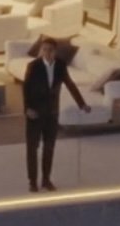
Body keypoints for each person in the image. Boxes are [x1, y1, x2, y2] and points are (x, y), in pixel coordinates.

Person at [20, 37, 88, 193]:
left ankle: (46, 179)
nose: (46, 53)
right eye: (44, 50)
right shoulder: (33, 66)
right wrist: (27, 109)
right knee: (32, 148)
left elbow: (70, 84)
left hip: (52, 113)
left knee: (49, 148)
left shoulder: (61, 66)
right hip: (35, 113)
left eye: (50, 50)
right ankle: (32, 181)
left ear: (55, 51)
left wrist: (82, 104)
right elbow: (26, 89)